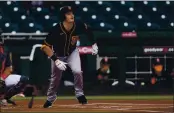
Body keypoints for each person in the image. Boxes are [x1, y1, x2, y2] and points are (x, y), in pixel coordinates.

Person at [41, 6, 98, 108]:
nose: (71, 15)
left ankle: (80, 94)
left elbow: (88, 30)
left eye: (71, 13)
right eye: (68, 14)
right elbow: (45, 47)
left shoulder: (78, 24)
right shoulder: (55, 29)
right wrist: (56, 60)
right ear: (63, 16)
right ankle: (50, 98)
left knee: (77, 71)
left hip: (72, 52)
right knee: (56, 78)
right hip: (58, 55)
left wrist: (94, 44)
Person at [0, 29, 13, 100]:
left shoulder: (5, 50)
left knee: (23, 79)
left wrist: (2, 77)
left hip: (1, 76)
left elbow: (8, 67)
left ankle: (4, 97)